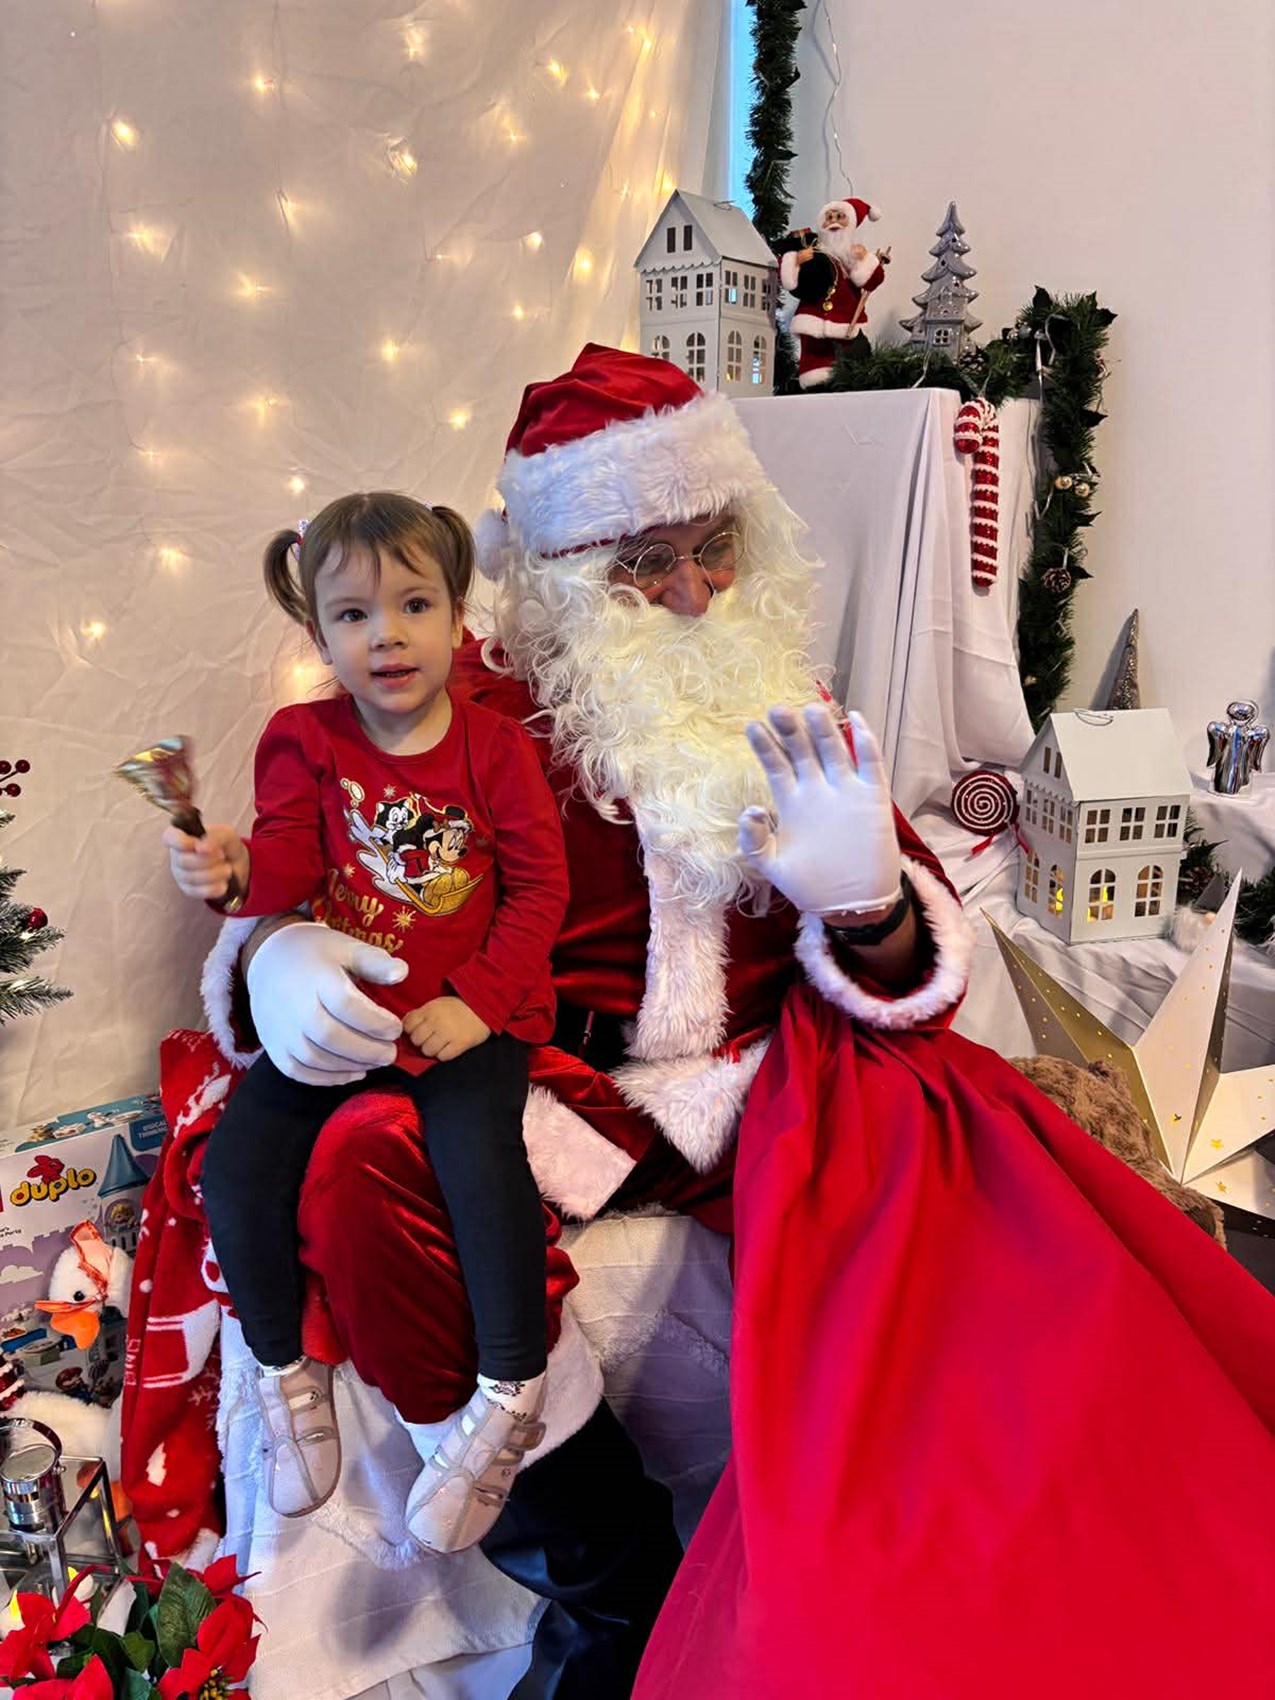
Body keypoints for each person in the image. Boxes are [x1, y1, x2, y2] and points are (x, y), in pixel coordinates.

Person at [181, 346, 1275, 1697]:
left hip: (768, 1080)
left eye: (715, 547)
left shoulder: (785, 705)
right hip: (549, 1079)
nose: (697, 592)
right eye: (647, 561)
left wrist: (868, 904)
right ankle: (602, 1570)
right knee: (356, 1166)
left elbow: (914, 954)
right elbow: (328, 861)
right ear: (561, 574)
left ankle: (986, 1555)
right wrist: (277, 953)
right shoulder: (465, 721)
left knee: (968, 1217)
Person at [162, 493, 568, 1550]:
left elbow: (541, 892)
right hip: (349, 1020)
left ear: (455, 616)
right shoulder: (302, 738)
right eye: (352, 615)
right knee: (235, 1168)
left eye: (412, 605)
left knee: (479, 1166)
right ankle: (281, 1367)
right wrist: (234, 873)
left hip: (467, 1018)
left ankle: (511, 1390)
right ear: (318, 634)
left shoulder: (495, 748)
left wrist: (476, 1004)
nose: (385, 635)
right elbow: (290, 864)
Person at [777, 195, 888, 390]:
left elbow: (872, 281)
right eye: (829, 218)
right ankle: (815, 383)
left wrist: (865, 258)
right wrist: (796, 260)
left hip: (846, 322)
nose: (834, 222)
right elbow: (787, 276)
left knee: (851, 361)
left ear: (850, 224)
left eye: (839, 217)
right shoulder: (812, 250)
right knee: (815, 361)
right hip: (813, 318)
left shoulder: (851, 257)